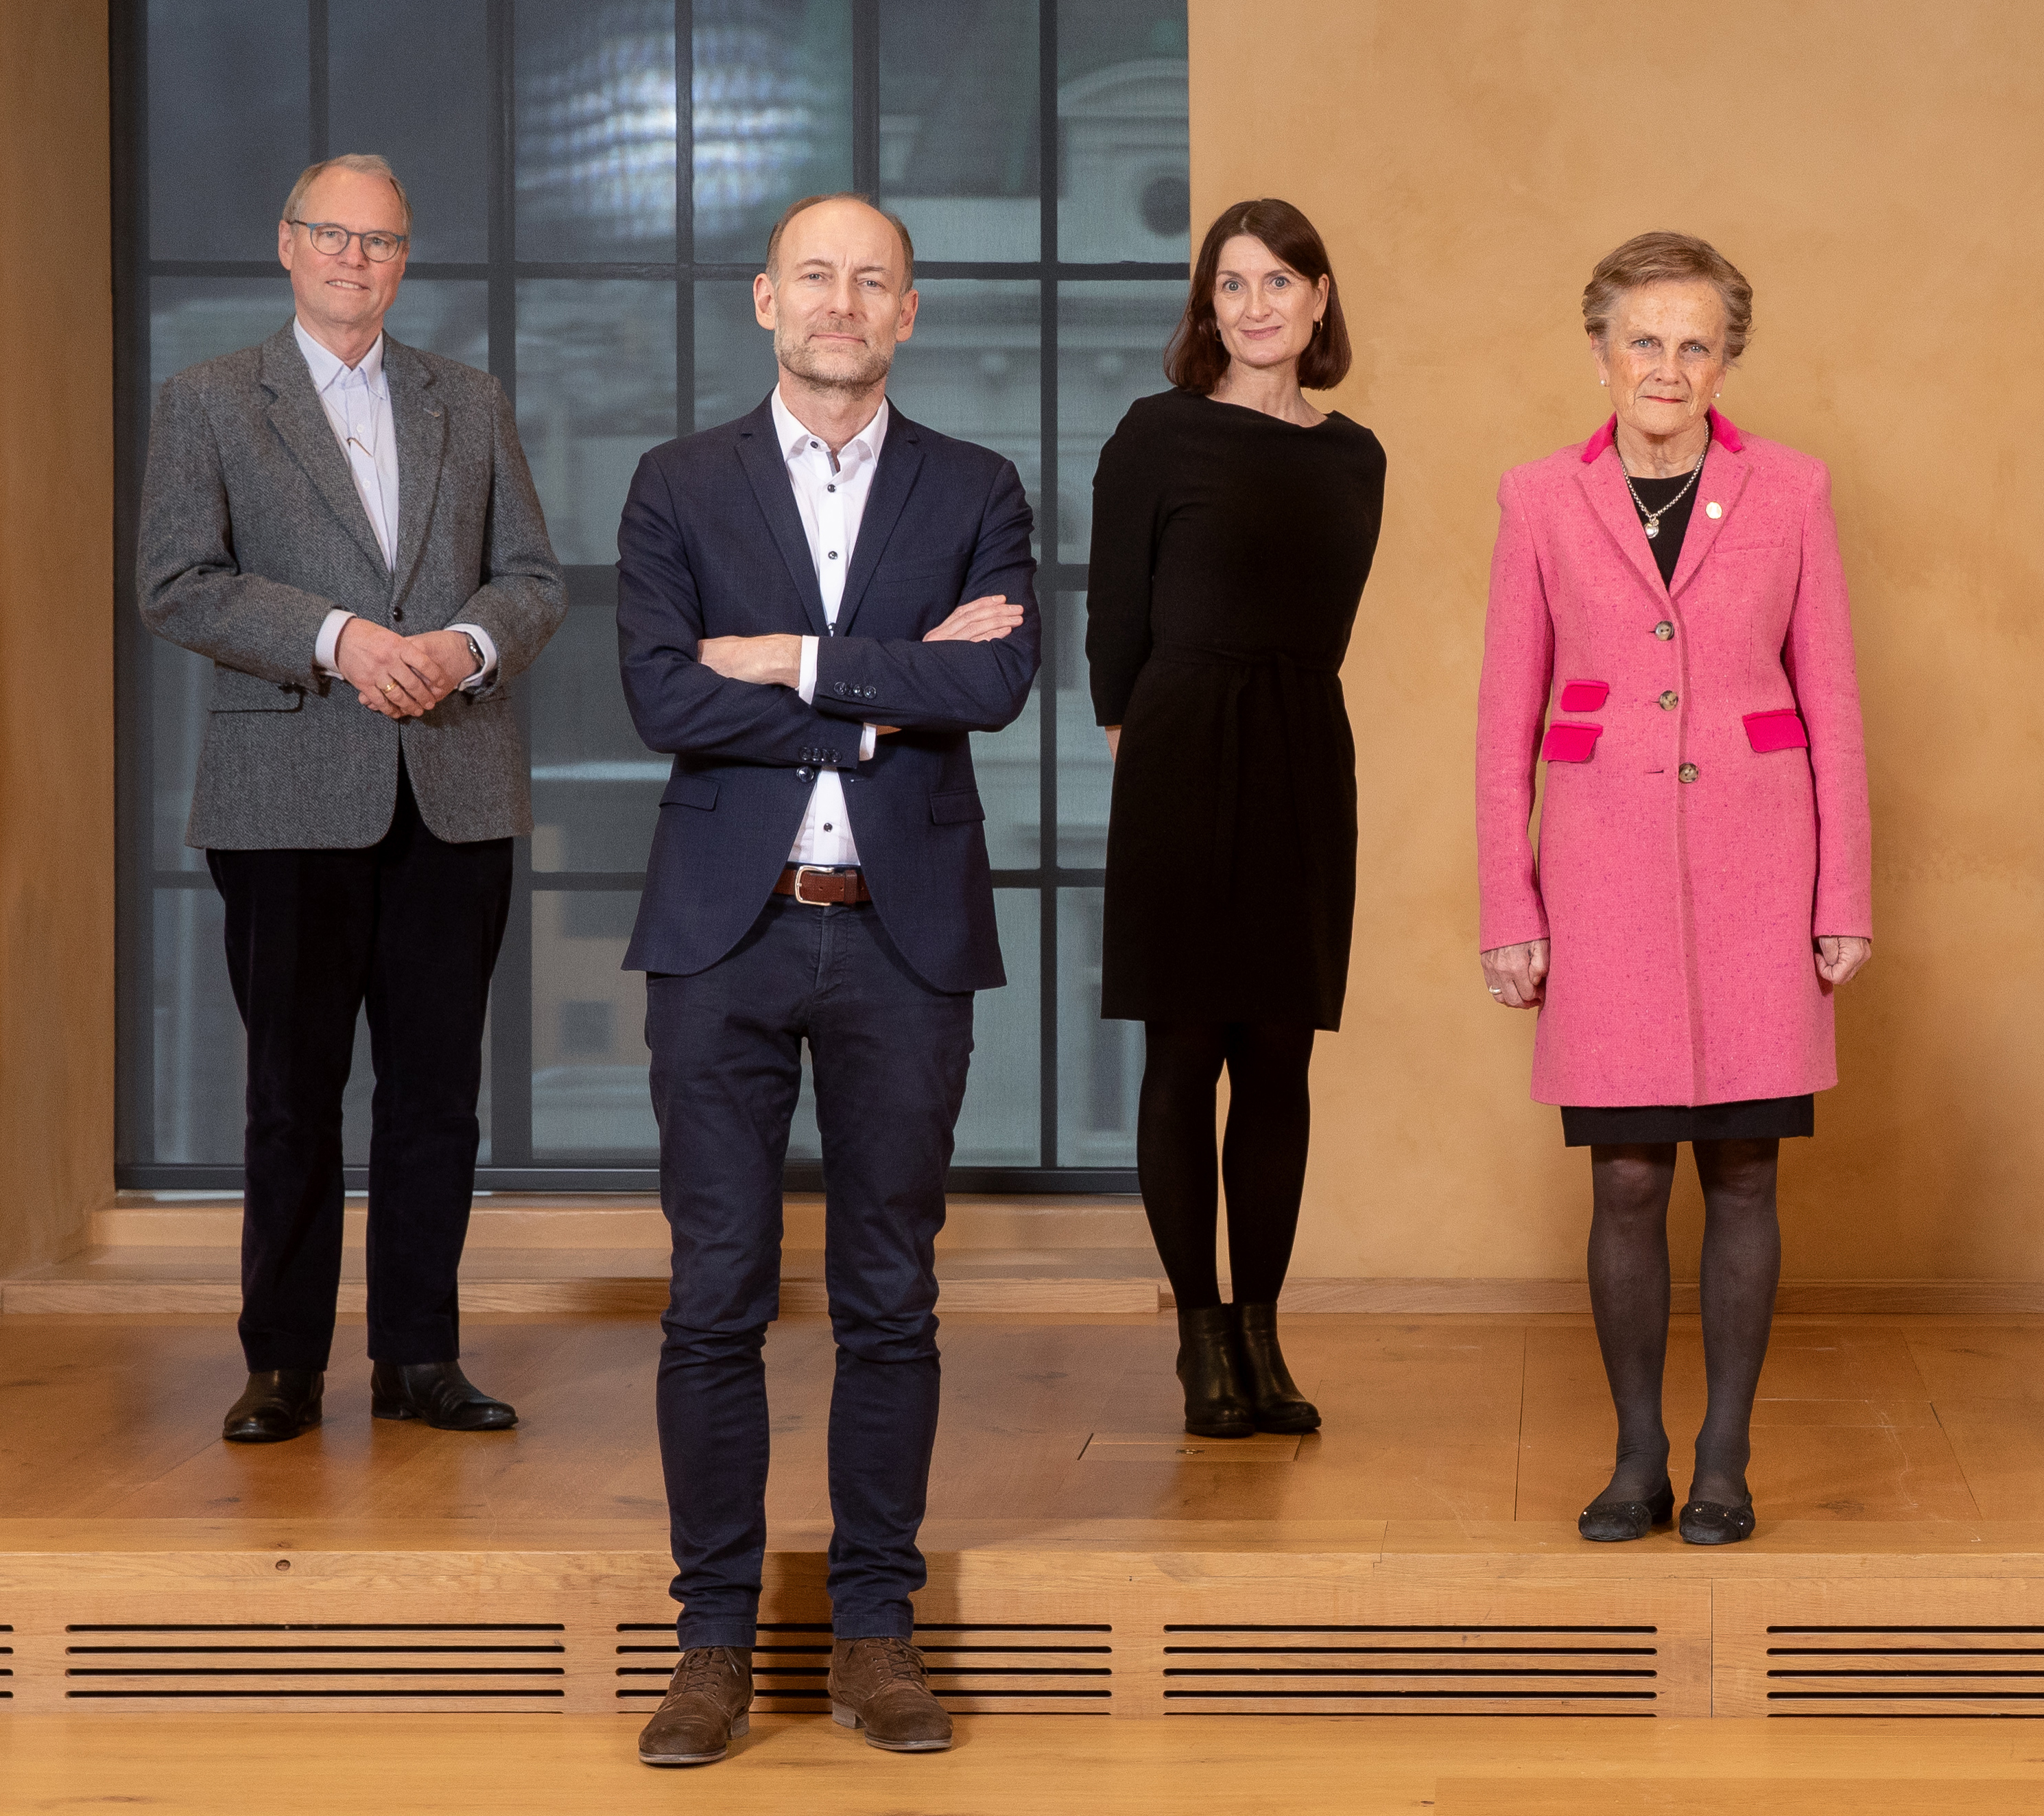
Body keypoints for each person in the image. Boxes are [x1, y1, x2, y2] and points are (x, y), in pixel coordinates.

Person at [615, 193, 1040, 1769]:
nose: (842, 302)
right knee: (714, 1297)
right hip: (721, 936)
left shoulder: (975, 484)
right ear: (762, 301)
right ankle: (711, 1645)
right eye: (816, 276)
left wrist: (778, 656)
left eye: (872, 280)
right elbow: (660, 689)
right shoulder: (677, 484)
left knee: (889, 1298)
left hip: (900, 934)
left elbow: (993, 677)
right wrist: (876, 692)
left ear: (908, 314)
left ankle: (876, 1632)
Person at [137, 153, 563, 1446]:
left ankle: (419, 1358)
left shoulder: (466, 399)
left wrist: (466, 647)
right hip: (287, 796)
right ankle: (285, 1366)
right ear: (286, 245)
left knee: (438, 1094)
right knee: (291, 1093)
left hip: (453, 787)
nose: (352, 259)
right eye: (331, 234)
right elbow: (176, 583)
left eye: (378, 242)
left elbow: (533, 577)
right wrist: (339, 637)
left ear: (403, 259)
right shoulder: (211, 400)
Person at [1475, 232, 1871, 1550]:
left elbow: (1834, 702)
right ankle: (1637, 1450)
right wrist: (1509, 907)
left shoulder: (1794, 490)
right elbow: (1502, 720)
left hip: (1764, 864)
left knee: (1746, 1171)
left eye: (1695, 343)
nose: (1668, 365)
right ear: (1600, 352)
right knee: (1629, 1180)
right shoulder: (1537, 498)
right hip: (1601, 875)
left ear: (1726, 361)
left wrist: (1842, 893)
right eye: (1643, 340)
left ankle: (1725, 1456)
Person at [1091, 199, 1384, 1438]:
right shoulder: (1155, 435)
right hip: (1177, 747)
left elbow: (1325, 618)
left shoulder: (1354, 455)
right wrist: (1152, 741)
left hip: (1302, 751)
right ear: (1205, 306)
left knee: (1280, 1060)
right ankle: (1200, 1336)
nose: (1256, 306)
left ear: (1319, 300)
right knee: (1183, 1053)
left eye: (1280, 282)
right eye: (1232, 285)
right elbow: (1116, 628)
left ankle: (1264, 1330)